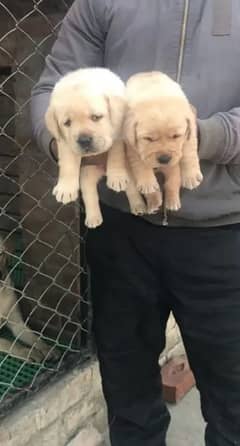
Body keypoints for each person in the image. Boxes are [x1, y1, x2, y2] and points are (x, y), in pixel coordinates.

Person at [31, 1, 240, 445]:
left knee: (234, 399)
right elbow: (51, 89)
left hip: (225, 230)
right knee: (127, 395)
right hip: (121, 229)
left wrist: (194, 137)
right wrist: (71, 144)